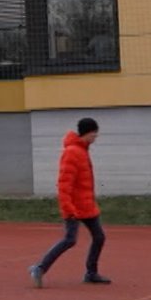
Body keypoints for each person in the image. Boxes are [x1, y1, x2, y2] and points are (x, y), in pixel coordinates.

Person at [29, 117, 109, 287]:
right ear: (88, 133)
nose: (96, 137)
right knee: (69, 240)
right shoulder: (72, 152)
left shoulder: (82, 150)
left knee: (99, 236)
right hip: (74, 206)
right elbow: (65, 184)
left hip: (86, 205)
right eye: (94, 133)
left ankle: (91, 273)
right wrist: (68, 208)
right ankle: (39, 268)